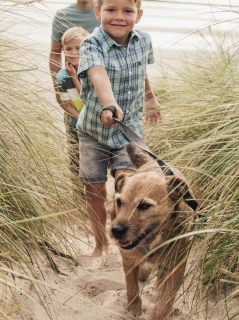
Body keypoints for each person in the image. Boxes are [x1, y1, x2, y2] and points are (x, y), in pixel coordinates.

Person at [76, 0, 161, 257]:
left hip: (129, 130)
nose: (119, 17)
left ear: (139, 14)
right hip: (94, 130)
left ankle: (126, 234)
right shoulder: (91, 44)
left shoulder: (143, 40)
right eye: (111, 9)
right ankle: (100, 244)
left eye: (128, 11)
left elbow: (141, 70)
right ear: (98, 11)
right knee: (94, 189)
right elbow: (98, 75)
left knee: (127, 189)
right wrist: (109, 105)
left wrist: (150, 98)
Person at [56, 27, 90, 178]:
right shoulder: (63, 76)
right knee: (75, 162)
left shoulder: (92, 71)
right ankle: (78, 196)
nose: (73, 52)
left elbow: (88, 97)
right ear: (63, 51)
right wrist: (80, 121)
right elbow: (67, 105)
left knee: (93, 163)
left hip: (95, 125)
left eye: (78, 48)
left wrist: (74, 76)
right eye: (68, 48)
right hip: (75, 125)